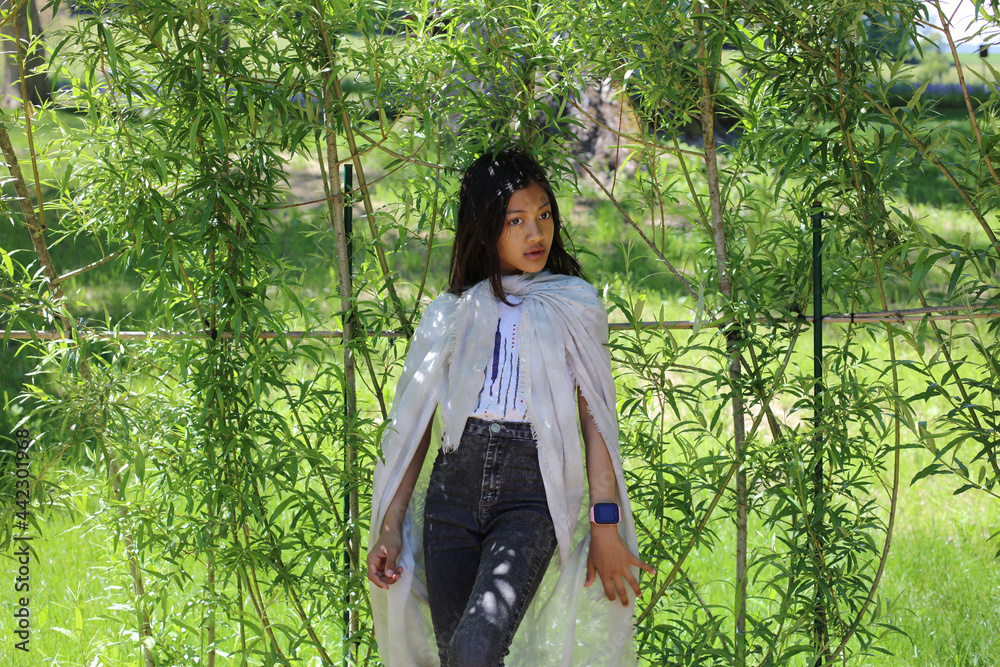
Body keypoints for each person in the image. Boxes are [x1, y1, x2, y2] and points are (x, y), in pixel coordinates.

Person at [366, 146, 654, 667]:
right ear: (483, 230)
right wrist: (390, 524)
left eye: (543, 216)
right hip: (450, 500)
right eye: (516, 220)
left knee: (476, 649)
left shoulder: (574, 302)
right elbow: (414, 428)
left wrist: (605, 524)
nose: (535, 233)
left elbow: (597, 421)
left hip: (531, 496)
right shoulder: (452, 312)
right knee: (460, 656)